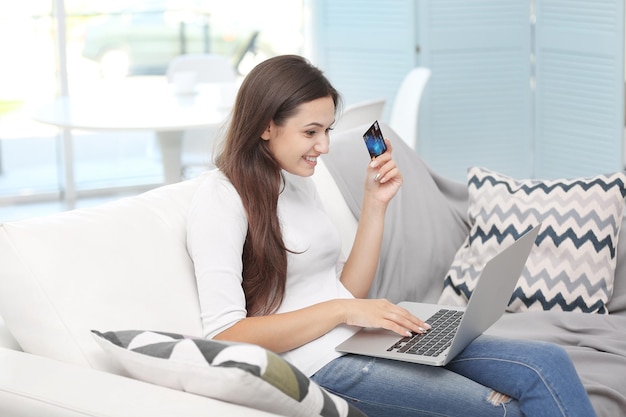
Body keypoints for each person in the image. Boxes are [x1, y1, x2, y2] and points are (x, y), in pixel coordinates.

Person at [186, 54, 596, 417]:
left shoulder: (296, 180)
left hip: (365, 338)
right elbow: (225, 335)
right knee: (496, 410)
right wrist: (341, 312)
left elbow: (345, 291)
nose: (324, 146)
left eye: (328, 130)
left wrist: (375, 204)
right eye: (311, 132)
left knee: (549, 364)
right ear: (265, 127)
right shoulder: (220, 197)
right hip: (320, 364)